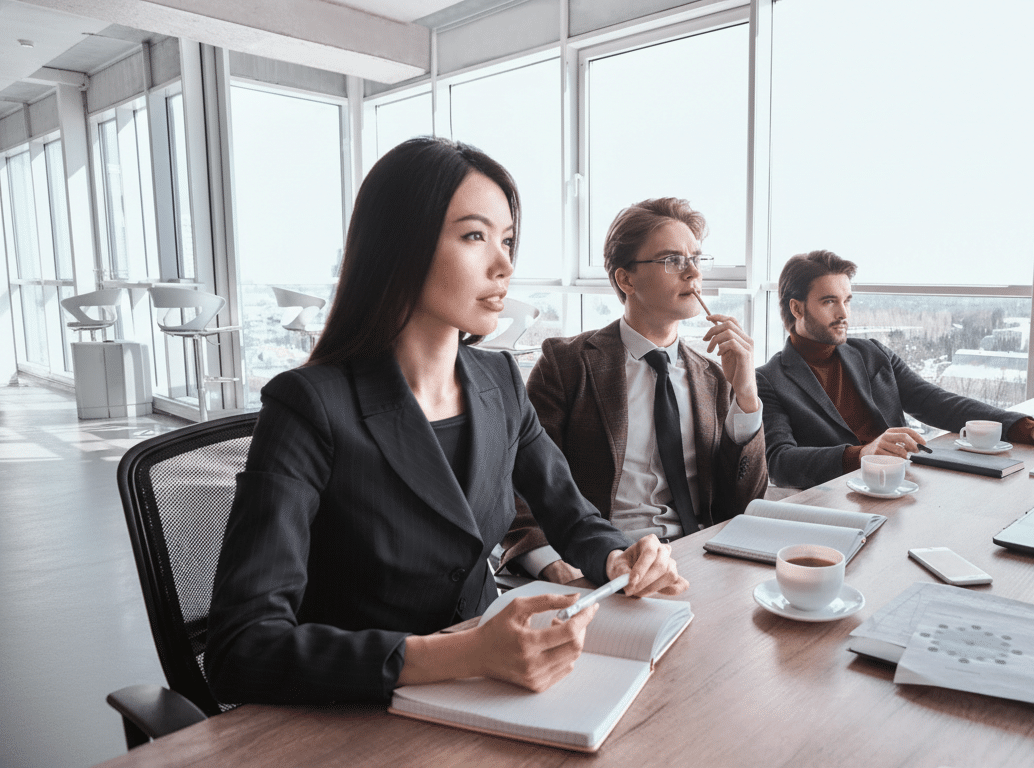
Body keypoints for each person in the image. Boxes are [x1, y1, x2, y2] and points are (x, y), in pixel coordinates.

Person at [205, 138, 687, 705]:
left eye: (507, 239)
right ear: (398, 247)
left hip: (487, 689)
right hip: (360, 706)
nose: (505, 263)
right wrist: (462, 654)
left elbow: (571, 515)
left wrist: (618, 556)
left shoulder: (501, 383)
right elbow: (242, 649)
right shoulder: (309, 407)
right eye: (474, 235)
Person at [501, 198, 768, 583]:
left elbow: (743, 505)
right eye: (673, 260)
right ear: (626, 279)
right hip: (600, 565)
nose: (693, 272)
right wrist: (549, 562)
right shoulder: (566, 364)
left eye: (696, 258)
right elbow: (518, 479)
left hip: (695, 561)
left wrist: (746, 396)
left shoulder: (715, 376)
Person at [757, 250, 1034, 490]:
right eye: (830, 301)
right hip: (840, 501)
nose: (844, 312)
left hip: (906, 487)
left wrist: (1029, 428)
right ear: (797, 308)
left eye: (847, 300)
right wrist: (861, 455)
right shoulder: (770, 379)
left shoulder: (872, 353)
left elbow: (939, 403)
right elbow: (780, 464)